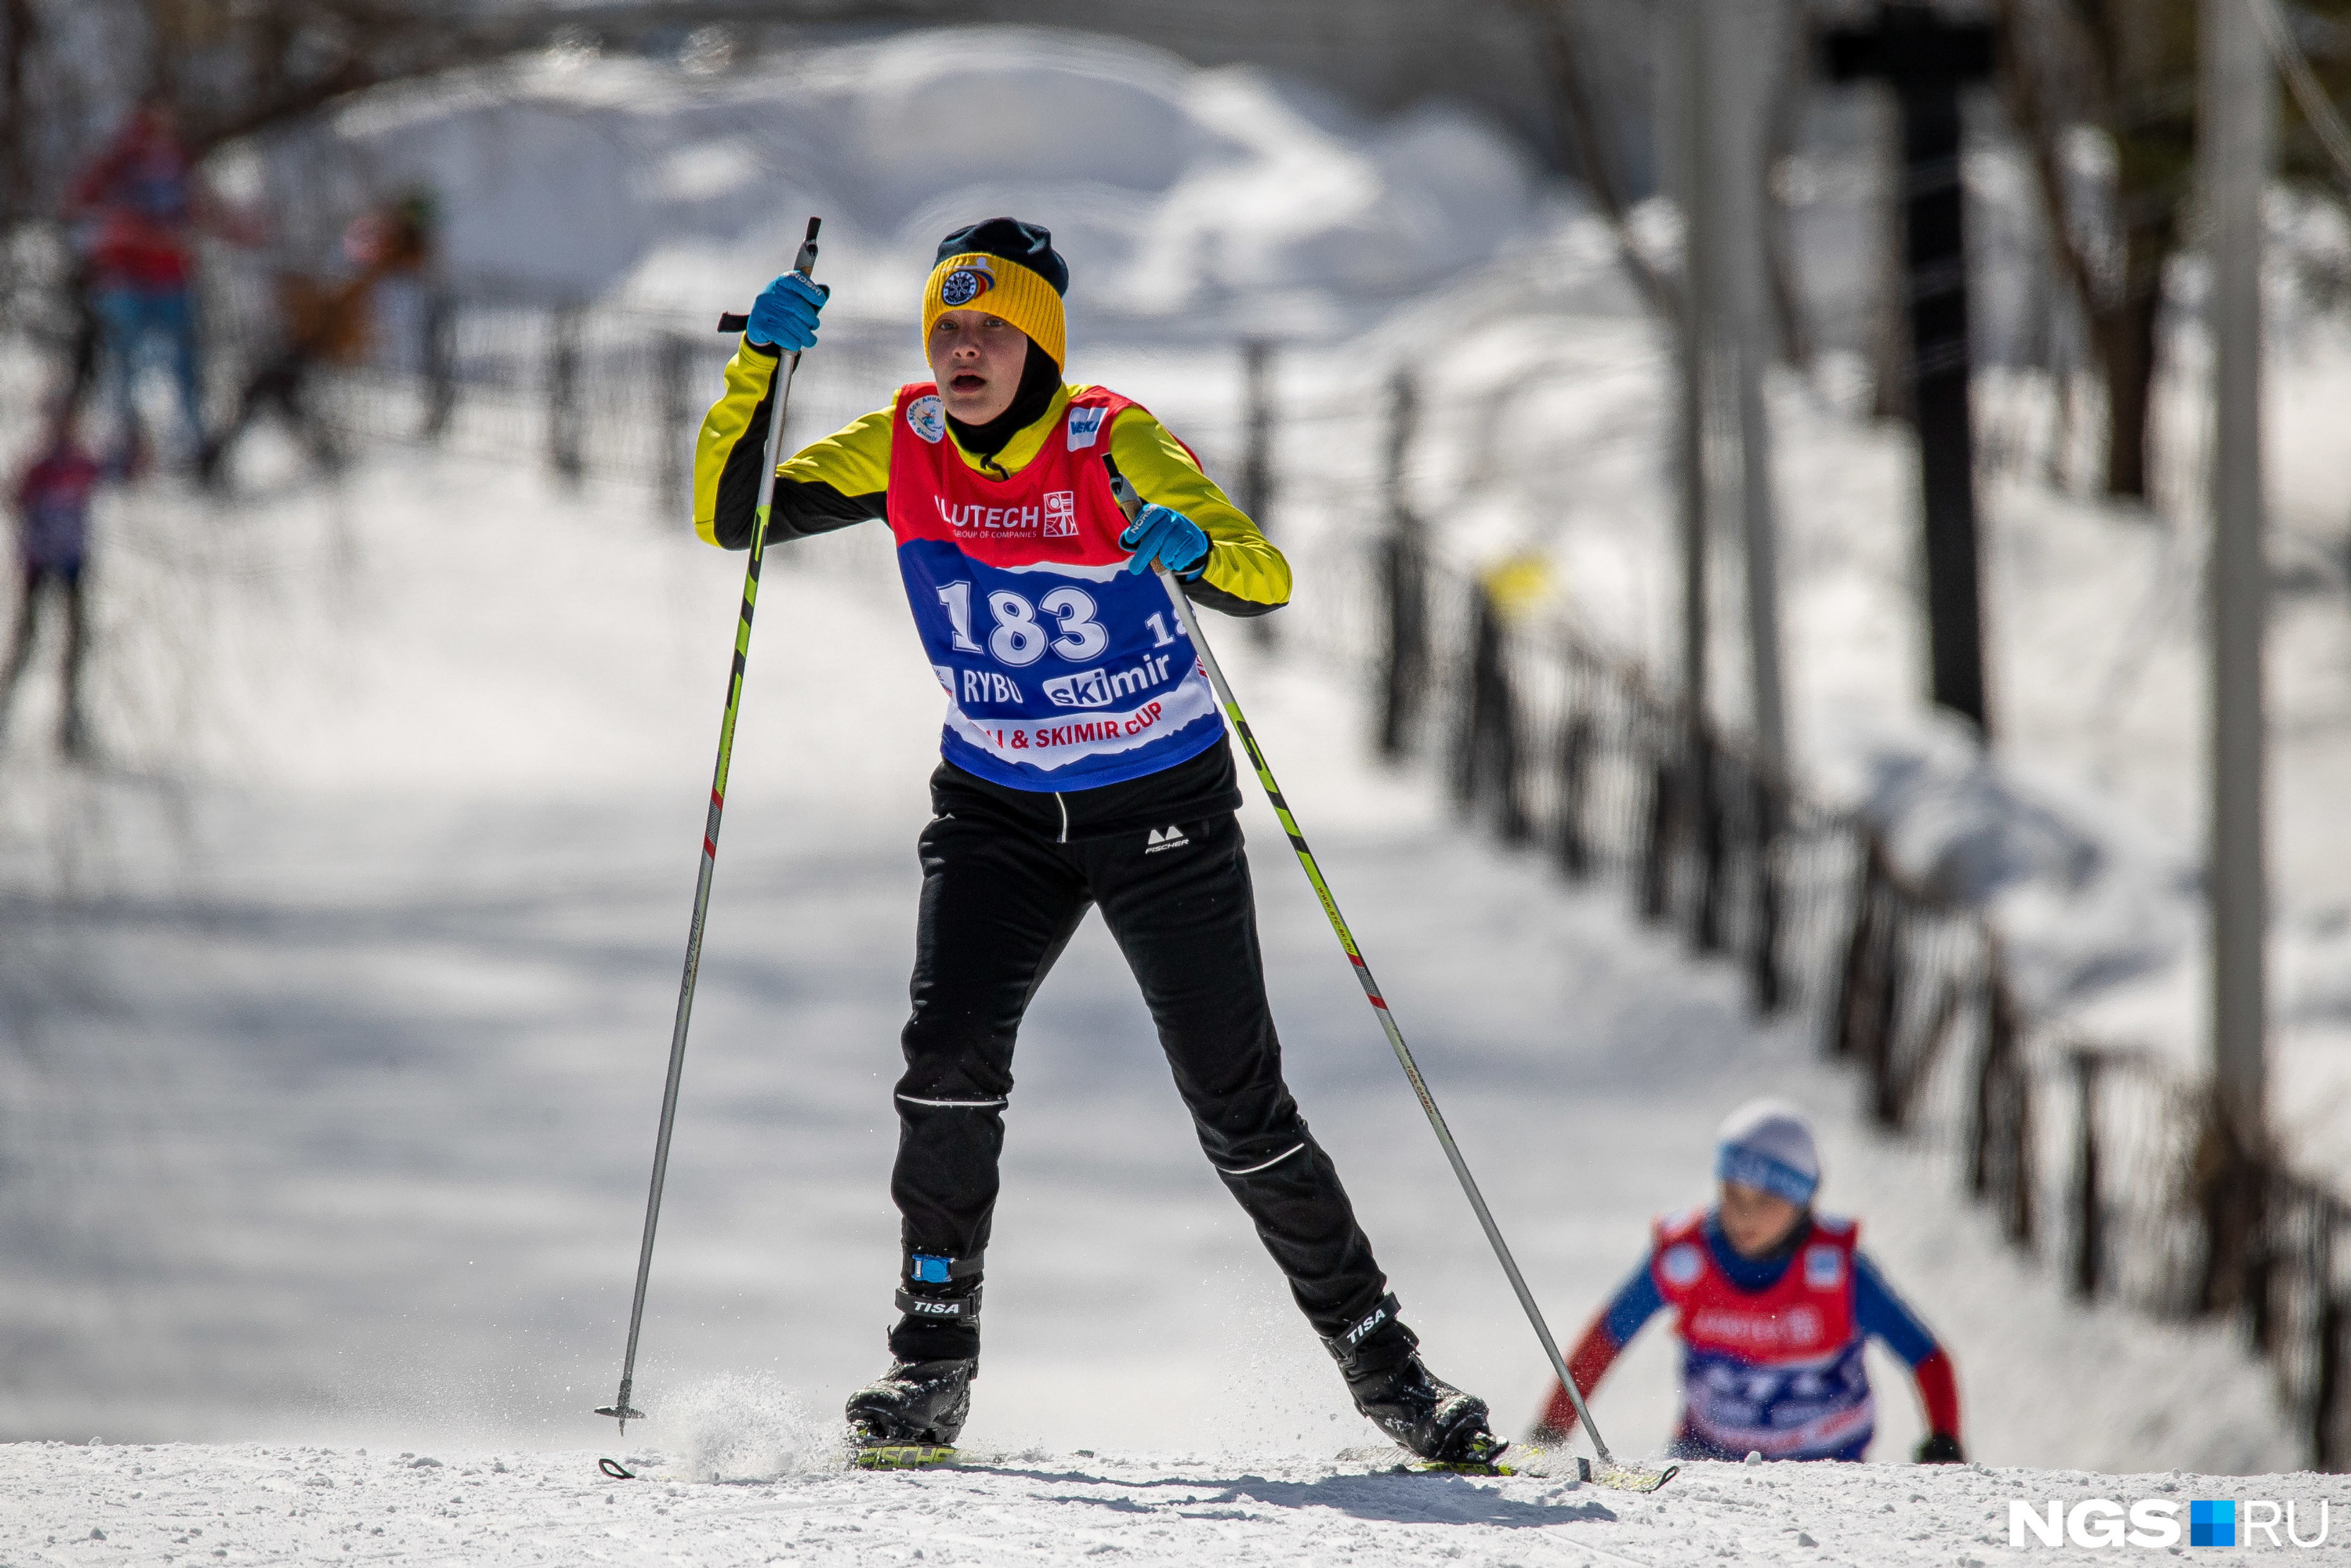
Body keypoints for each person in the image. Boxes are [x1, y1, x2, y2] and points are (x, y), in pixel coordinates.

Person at [691, 217, 1502, 1465]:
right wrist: (759, 362)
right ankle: (930, 1368)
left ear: (1040, 345)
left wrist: (1192, 546)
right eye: (946, 328)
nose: (964, 350)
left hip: (1155, 803)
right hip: (998, 806)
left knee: (1241, 1111)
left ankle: (1390, 1370)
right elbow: (733, 517)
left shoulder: (1108, 438)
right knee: (946, 1066)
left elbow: (1265, 574)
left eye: (991, 328)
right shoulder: (903, 443)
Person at [1531, 1099, 1964, 1465]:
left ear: (1803, 1200)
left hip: (1828, 1464)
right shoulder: (1686, 1257)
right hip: (1707, 1455)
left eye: (1768, 1200)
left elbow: (1926, 1356)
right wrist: (1552, 1429)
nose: (1746, 1215)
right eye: (1733, 1194)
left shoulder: (1837, 1271)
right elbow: (1606, 1338)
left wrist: (1944, 1438)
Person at [199, 191, 437, 487]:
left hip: (320, 342)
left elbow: (362, 319)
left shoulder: (387, 278)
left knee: (266, 389)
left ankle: (213, 461)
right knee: (274, 392)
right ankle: (318, 454)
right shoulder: (371, 270)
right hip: (313, 339)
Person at [67, 96, 209, 465]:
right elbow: (83, 211)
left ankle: (190, 447)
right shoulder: (117, 164)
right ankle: (123, 450)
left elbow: (199, 208)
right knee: (124, 367)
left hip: (172, 280)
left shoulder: (177, 160)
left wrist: (241, 228)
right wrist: (143, 233)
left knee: (184, 366)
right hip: (125, 285)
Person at [2, 407, 107, 755]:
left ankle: (70, 721)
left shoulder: (82, 464)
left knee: (75, 643)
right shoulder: (40, 467)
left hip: (72, 564)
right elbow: (16, 499)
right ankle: (6, 710)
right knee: (28, 639)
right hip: (40, 563)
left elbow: (121, 470)